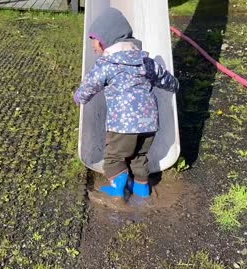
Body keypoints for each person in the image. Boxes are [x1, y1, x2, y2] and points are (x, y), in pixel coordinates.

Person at [74, 7, 179, 199]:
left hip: (122, 125)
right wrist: (175, 85)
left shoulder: (107, 64)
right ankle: (142, 190)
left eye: (94, 41)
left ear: (106, 39)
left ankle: (118, 188)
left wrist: (79, 97)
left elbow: (90, 85)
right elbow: (165, 78)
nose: (93, 46)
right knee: (139, 156)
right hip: (149, 123)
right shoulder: (145, 61)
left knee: (114, 157)